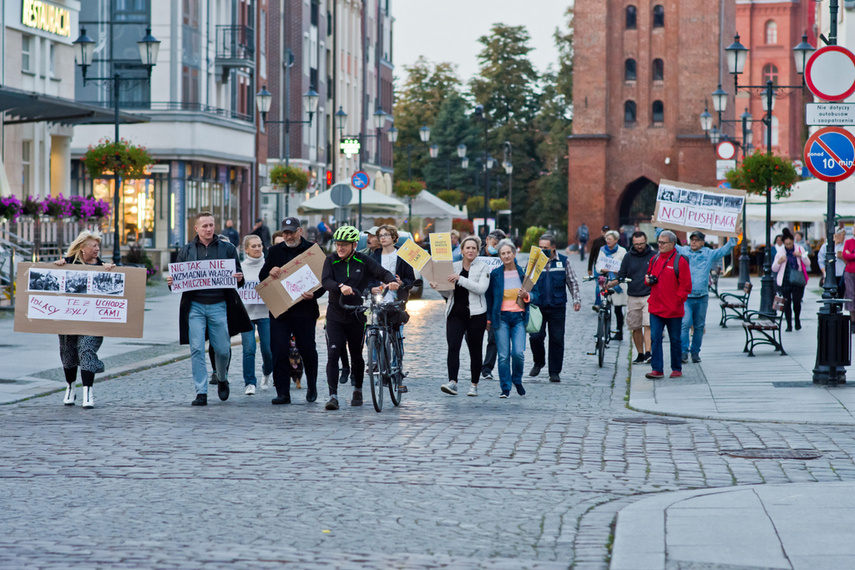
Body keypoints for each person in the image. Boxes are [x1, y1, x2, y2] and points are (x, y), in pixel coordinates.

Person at [168, 212, 252, 406]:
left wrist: (239, 278)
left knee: (222, 350)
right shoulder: (186, 250)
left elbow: (239, 277)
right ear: (196, 228)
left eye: (211, 225)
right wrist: (172, 282)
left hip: (219, 305)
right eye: (204, 226)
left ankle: (222, 377)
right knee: (196, 349)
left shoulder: (228, 249)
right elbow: (177, 282)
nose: (208, 229)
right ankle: (201, 392)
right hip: (195, 306)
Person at [320, 225, 398, 410]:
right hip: (335, 314)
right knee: (333, 354)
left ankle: (358, 389)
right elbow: (325, 281)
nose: (340, 248)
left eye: (344, 245)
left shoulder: (363, 260)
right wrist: (340, 286)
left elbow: (381, 272)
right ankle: (333, 396)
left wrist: (391, 280)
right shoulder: (331, 260)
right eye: (338, 244)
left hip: (356, 313)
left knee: (356, 354)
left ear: (354, 245)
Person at [259, 217, 326, 404]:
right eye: (285, 233)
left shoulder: (312, 251)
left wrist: (315, 295)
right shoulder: (274, 251)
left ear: (300, 231)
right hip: (281, 311)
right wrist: (269, 272)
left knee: (307, 350)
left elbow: (324, 278)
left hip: (304, 310)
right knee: (279, 350)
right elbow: (262, 277)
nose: (288, 236)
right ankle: (283, 392)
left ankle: (311, 386)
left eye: (291, 232)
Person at [53, 230, 115, 408]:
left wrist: (111, 271)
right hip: (69, 319)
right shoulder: (67, 264)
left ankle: (88, 391)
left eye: (98, 246)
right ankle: (70, 387)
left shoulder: (104, 267)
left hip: (93, 321)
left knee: (86, 350)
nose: (97, 249)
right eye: (94, 245)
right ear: (82, 248)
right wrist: (56, 267)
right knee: (68, 353)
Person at [433, 236, 490, 397]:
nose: (470, 250)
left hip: (476, 314)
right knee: (453, 346)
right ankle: (453, 382)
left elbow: (481, 289)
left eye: (474, 248)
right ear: (462, 250)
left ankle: (474, 384)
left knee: (475, 350)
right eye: (468, 248)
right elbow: (448, 291)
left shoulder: (483, 267)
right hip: (455, 313)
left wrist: (461, 279)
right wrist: (438, 287)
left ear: (478, 251)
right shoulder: (454, 266)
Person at [486, 239, 537, 398]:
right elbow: (489, 298)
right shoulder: (495, 274)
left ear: (514, 253)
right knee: (503, 355)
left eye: (509, 252)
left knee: (518, 353)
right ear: (499, 256)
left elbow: (536, 294)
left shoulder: (523, 273)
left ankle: (517, 380)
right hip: (501, 318)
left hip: (519, 318)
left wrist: (527, 295)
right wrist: (488, 319)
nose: (506, 256)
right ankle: (505, 388)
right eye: (503, 253)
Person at [675, 231, 737, 363]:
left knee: (698, 326)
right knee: (685, 324)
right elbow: (671, 244)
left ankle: (695, 352)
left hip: (702, 297)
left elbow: (725, 250)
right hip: (686, 297)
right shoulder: (684, 251)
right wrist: (659, 227)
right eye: (692, 239)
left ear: (703, 242)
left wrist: (733, 236)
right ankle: (683, 351)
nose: (693, 242)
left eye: (697, 240)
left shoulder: (708, 253)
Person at [529, 234, 581, 382]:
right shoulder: (534, 261)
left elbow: (572, 281)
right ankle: (539, 362)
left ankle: (554, 371)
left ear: (553, 247)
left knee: (557, 339)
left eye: (545, 248)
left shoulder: (563, 261)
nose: (542, 250)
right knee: (535, 337)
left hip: (557, 306)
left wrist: (576, 299)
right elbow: (526, 281)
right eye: (540, 247)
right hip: (537, 306)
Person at [370, 224, 415, 392]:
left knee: (397, 336)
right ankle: (376, 367)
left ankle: (398, 371)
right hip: (378, 300)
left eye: (387, 234)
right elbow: (366, 277)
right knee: (374, 334)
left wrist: (402, 284)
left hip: (396, 302)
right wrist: (371, 288)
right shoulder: (373, 256)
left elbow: (411, 279)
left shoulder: (402, 256)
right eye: (380, 235)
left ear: (394, 237)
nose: (383, 237)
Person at [644, 230, 692, 380]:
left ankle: (676, 368)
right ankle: (657, 369)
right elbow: (648, 277)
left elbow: (686, 286)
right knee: (655, 338)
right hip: (656, 308)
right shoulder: (655, 259)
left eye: (663, 243)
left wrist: (677, 300)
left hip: (673, 309)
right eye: (658, 242)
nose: (659, 245)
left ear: (672, 244)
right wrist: (648, 280)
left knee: (675, 339)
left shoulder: (680, 261)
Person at [613, 230, 656, 364]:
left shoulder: (654, 256)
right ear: (633, 243)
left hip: (649, 294)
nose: (639, 246)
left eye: (642, 243)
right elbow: (621, 274)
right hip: (633, 295)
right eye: (637, 244)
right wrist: (611, 284)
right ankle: (640, 354)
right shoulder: (628, 257)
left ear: (646, 241)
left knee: (648, 324)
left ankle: (648, 353)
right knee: (635, 326)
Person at [239, 235, 272, 395]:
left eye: (260, 245)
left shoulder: (269, 266)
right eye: (254, 246)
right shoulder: (240, 268)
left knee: (268, 350)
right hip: (246, 314)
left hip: (265, 312)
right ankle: (250, 382)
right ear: (246, 249)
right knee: (249, 349)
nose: (258, 248)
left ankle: (267, 372)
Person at [772, 228, 810, 332]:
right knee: (786, 303)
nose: (788, 246)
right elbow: (774, 268)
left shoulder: (799, 249)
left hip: (797, 280)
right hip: (785, 281)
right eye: (786, 244)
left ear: (793, 242)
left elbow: (808, 263)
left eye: (790, 243)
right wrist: (779, 261)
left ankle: (797, 320)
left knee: (797, 302)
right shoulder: (781, 251)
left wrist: (801, 255)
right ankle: (789, 324)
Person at [479, 229, 504, 380]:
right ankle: (476, 363)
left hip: (495, 303)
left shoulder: (501, 257)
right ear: (487, 240)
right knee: (472, 337)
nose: (496, 248)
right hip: (477, 300)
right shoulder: (476, 253)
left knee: (493, 338)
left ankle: (487, 368)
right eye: (495, 244)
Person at [596, 230, 628, 340]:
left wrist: (619, 271)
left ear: (616, 240)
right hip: (606, 281)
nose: (607, 241)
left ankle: (619, 332)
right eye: (606, 239)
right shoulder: (602, 250)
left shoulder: (622, 251)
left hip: (617, 282)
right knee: (604, 306)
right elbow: (598, 264)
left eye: (610, 239)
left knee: (618, 309)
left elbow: (625, 266)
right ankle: (603, 331)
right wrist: (601, 269)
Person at [587, 225, 610, 309]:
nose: (606, 233)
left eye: (607, 231)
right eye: (604, 231)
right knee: (598, 285)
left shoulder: (611, 242)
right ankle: (598, 302)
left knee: (608, 284)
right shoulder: (597, 241)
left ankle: (607, 300)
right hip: (598, 267)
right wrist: (589, 268)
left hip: (609, 267)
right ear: (602, 232)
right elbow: (592, 255)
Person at [818, 228, 845, 294]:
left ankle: (839, 304)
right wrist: (824, 273)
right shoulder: (825, 246)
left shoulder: (844, 246)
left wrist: (842, 257)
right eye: (843, 235)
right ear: (836, 236)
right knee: (830, 293)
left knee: (840, 294)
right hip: (830, 274)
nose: (844, 237)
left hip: (841, 274)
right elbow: (821, 261)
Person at [842, 232, 855, 333]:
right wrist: (851, 255)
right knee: (850, 295)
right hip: (850, 271)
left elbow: (848, 255)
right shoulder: (848, 242)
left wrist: (851, 254)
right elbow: (845, 256)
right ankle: (853, 322)